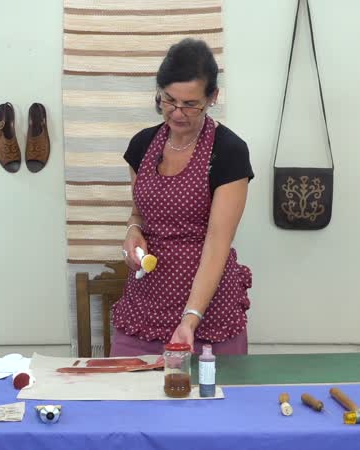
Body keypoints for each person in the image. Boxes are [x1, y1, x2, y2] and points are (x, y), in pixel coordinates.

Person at [110, 38, 254, 356]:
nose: (177, 113)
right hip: (145, 305)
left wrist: (190, 318)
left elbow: (217, 243)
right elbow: (139, 214)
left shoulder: (228, 152)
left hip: (207, 313)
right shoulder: (142, 146)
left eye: (190, 104)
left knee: (210, 389)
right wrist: (132, 231)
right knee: (126, 386)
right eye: (169, 100)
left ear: (212, 97)